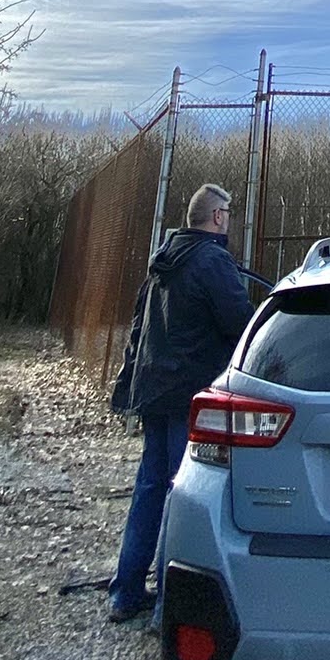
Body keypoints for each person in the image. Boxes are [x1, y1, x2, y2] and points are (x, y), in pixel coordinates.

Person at [106, 182, 254, 622]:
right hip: (190, 396)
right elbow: (240, 323)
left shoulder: (162, 261)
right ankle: (168, 606)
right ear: (218, 217)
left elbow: (138, 327)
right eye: (228, 212)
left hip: (153, 391)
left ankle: (126, 591)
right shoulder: (212, 261)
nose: (229, 219)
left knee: (151, 489)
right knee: (184, 495)